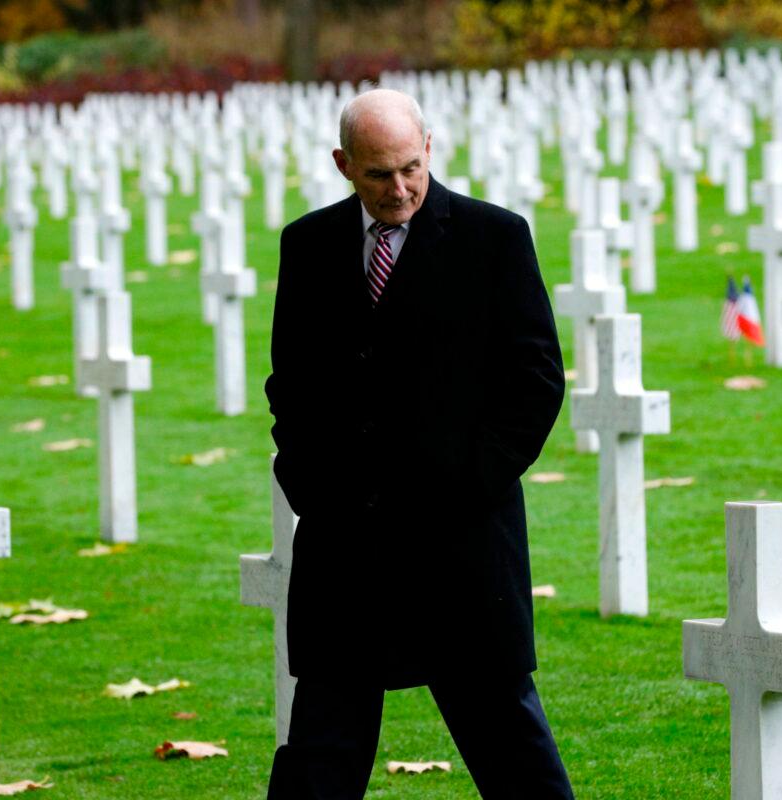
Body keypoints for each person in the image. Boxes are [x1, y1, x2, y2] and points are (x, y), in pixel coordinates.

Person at [264, 88, 574, 799]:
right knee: (320, 754)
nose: (399, 188)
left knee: (511, 748)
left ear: (429, 148)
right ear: (344, 164)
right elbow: (292, 383)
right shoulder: (308, 244)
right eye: (378, 174)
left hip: (458, 542)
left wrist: (469, 484)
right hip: (345, 542)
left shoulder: (493, 238)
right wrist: (309, 484)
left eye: (411, 167)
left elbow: (535, 380)